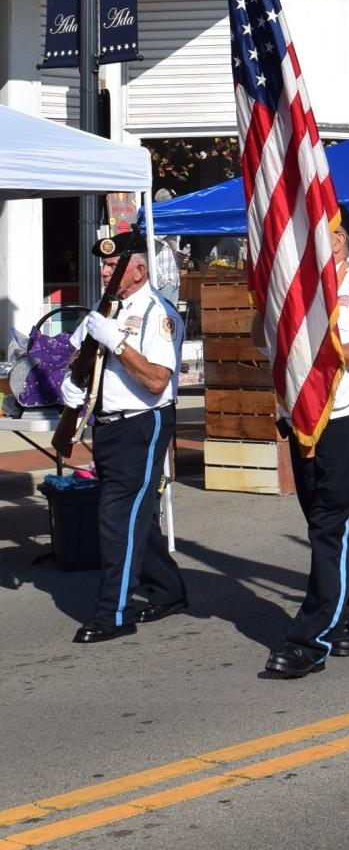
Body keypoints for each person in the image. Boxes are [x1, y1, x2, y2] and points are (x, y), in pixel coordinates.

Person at [261, 204, 349, 679]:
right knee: (331, 529)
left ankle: (309, 639)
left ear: (339, 240)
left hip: (347, 423)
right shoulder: (300, 288)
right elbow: (267, 343)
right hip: (305, 425)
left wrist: (327, 342)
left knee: (331, 528)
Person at [60, 231, 188, 644]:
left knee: (116, 518)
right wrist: (71, 384)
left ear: (139, 268)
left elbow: (156, 380)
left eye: (114, 265)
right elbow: (76, 357)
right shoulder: (103, 310)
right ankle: (168, 590)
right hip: (108, 426)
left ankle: (113, 612)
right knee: (132, 513)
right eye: (104, 264)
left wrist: (117, 343)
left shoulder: (157, 313)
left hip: (142, 424)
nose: (105, 270)